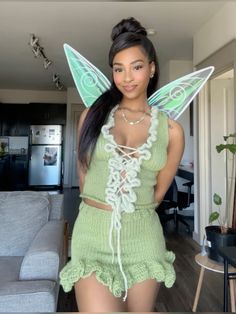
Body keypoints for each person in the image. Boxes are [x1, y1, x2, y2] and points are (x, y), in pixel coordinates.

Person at [60, 17, 184, 312]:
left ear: (152, 68)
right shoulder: (92, 115)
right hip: (92, 234)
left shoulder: (172, 131)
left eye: (137, 66)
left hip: (143, 237)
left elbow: (156, 195)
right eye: (119, 68)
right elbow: (84, 172)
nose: (127, 77)